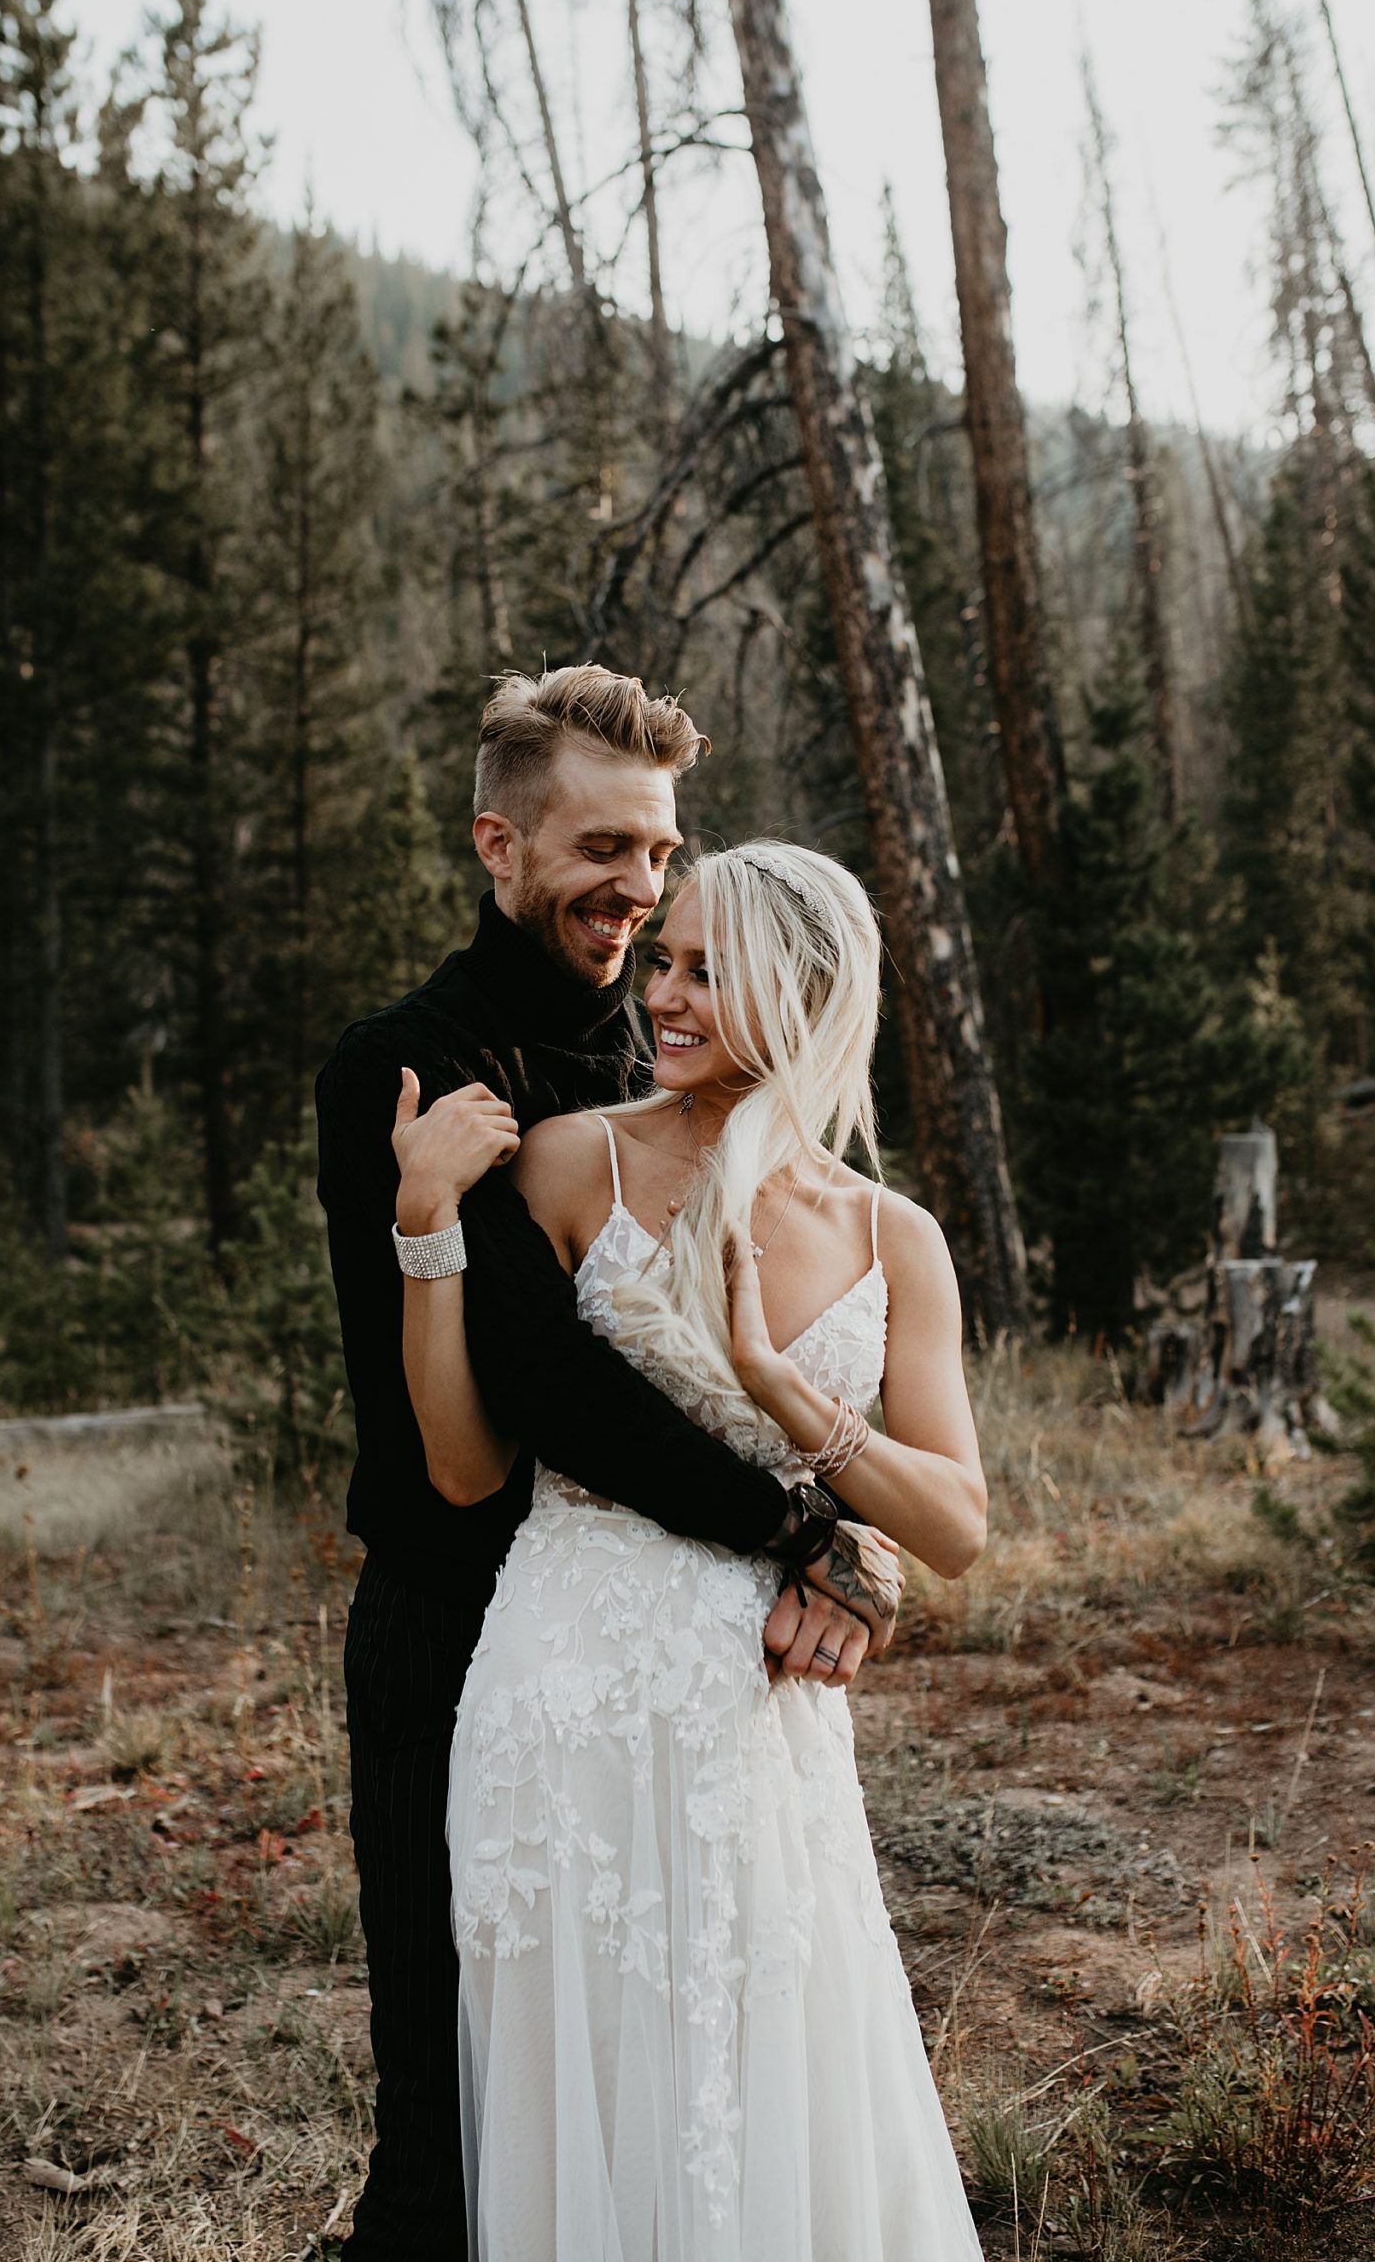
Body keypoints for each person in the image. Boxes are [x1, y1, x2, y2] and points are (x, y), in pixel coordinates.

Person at [316, 667, 902, 2261]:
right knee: (454, 2119)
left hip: (690, 1642)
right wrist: (803, 1529)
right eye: (601, 851)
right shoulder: (411, 1070)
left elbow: (810, 1330)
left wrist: (856, 1536)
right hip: (459, 1631)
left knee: (679, 2070)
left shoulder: (695, 1059)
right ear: (499, 844)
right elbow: (551, 1395)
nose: (638, 894)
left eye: (660, 852)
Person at [392, 838, 989, 2260]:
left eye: (707, 969)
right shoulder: (565, 1161)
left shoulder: (890, 1235)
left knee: (764, 2077)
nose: (661, 993)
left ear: (801, 991)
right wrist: (425, 1229)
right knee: (588, 2090)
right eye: (664, 960)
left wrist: (794, 1403)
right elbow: (468, 1464)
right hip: (565, 1691)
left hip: (756, 1723)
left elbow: (956, 1525)